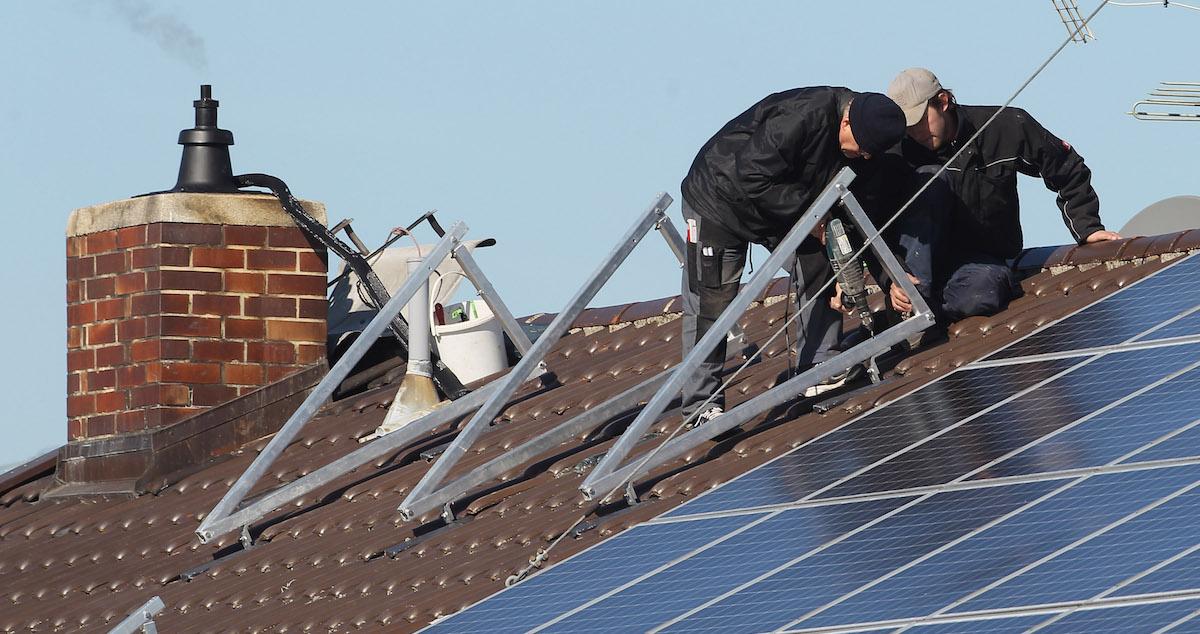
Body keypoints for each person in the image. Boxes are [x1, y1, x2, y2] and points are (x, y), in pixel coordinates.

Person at [679, 87, 906, 425]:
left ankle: (818, 365)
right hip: (719, 201)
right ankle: (700, 406)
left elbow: (862, 218)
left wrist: (888, 280)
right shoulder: (801, 117)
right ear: (846, 121)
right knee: (711, 302)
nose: (865, 158)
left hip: (777, 204)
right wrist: (815, 218)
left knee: (823, 256)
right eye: (863, 149)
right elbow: (750, 177)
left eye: (872, 153)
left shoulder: (865, 139)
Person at [883, 68, 1121, 324]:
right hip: (917, 264)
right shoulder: (897, 152)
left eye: (919, 122)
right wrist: (893, 276)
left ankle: (930, 312)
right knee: (930, 179)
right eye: (907, 127)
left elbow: (1066, 166)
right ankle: (914, 306)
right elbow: (875, 218)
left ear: (942, 101)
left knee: (982, 295)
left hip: (980, 261)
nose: (915, 133)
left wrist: (1087, 227)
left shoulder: (1003, 127)